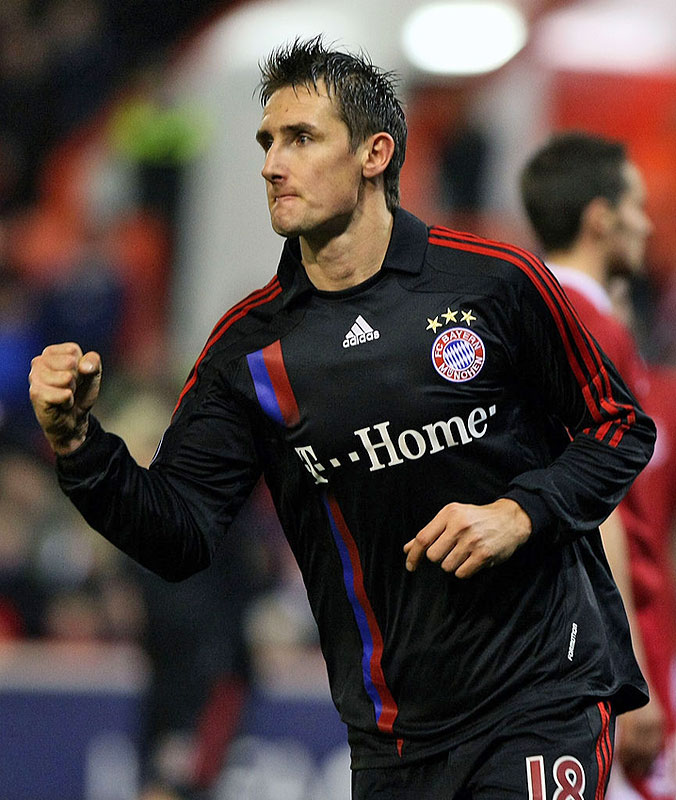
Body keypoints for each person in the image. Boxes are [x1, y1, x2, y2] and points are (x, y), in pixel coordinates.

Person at [29, 38, 656, 799]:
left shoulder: (494, 283)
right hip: (392, 737)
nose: (272, 164)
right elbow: (178, 532)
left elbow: (619, 428)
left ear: (373, 154)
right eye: (267, 142)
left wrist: (521, 513)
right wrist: (78, 444)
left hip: (540, 694)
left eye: (301, 138)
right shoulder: (250, 351)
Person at [520, 131, 676, 799]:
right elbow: (596, 509)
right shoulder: (590, 327)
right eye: (635, 205)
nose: (647, 224)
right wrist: (630, 672)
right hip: (605, 657)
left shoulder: (523, 312)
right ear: (599, 218)